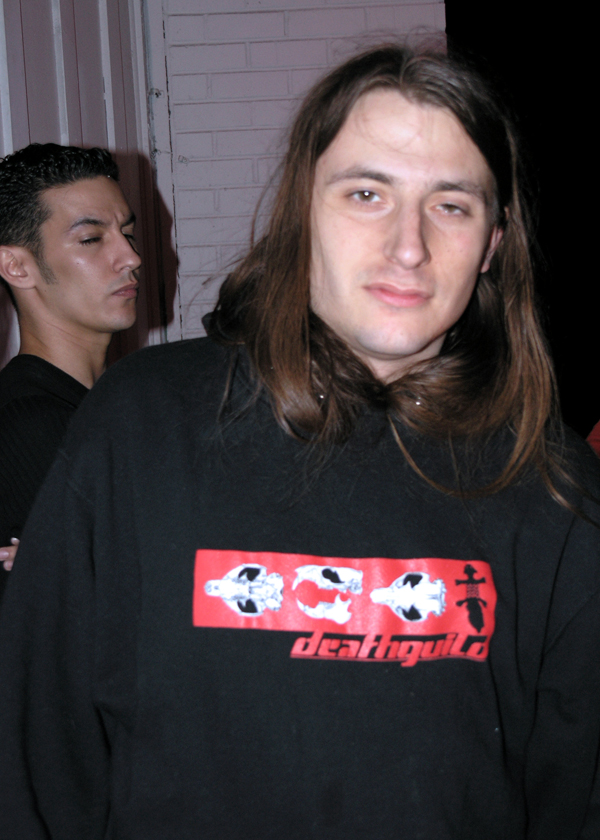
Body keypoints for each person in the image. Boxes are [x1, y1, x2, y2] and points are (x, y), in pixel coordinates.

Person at [0, 45, 599, 839]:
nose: (409, 246)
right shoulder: (140, 426)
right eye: (366, 194)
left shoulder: (554, 483)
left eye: (452, 205)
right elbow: (38, 763)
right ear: (302, 214)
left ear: (492, 242)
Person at [0, 144, 141, 597]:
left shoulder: (123, 400)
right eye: (92, 239)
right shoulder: (31, 423)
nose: (131, 257)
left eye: (127, 233)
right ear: (16, 266)